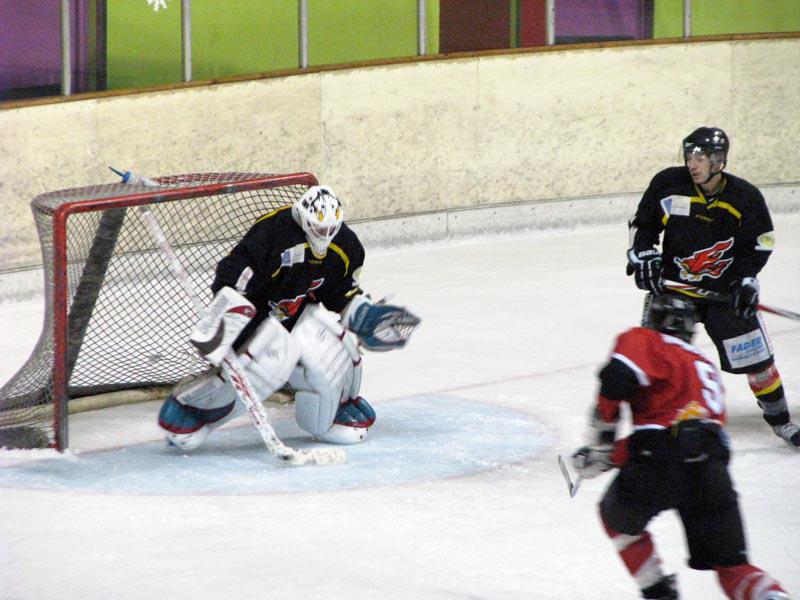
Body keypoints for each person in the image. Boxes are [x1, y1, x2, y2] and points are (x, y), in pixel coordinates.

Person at [157, 185, 420, 450]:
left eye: (331, 229)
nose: (325, 235)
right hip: (256, 319)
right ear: (304, 219)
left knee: (339, 353)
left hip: (297, 314)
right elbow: (232, 274)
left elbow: (339, 292)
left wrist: (364, 315)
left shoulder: (345, 245)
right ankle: (192, 408)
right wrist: (228, 316)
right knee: (268, 364)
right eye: (319, 229)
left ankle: (336, 409)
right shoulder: (273, 233)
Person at [571, 294, 791, 600]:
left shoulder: (644, 340)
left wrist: (601, 446)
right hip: (711, 469)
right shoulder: (703, 366)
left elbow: (616, 381)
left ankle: (659, 593)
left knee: (616, 518)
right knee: (733, 568)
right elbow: (682, 433)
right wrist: (612, 457)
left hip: (660, 458)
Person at [626, 126, 799, 447]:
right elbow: (644, 225)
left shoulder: (744, 196)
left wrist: (746, 279)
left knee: (757, 362)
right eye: (689, 156)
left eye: (700, 158)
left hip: (724, 292)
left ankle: (781, 421)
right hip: (675, 290)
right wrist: (644, 254)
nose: (692, 163)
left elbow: (760, 243)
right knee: (660, 362)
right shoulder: (668, 183)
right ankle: (654, 428)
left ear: (718, 161)